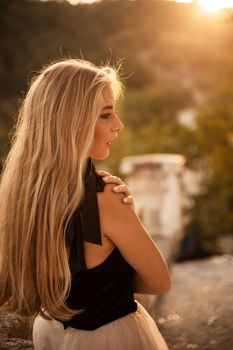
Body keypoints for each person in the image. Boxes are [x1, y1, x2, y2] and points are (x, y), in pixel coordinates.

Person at [0, 59, 171, 350]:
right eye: (105, 115)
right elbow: (159, 282)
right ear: (72, 123)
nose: (119, 125)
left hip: (51, 334)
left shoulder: (19, 197)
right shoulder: (106, 199)